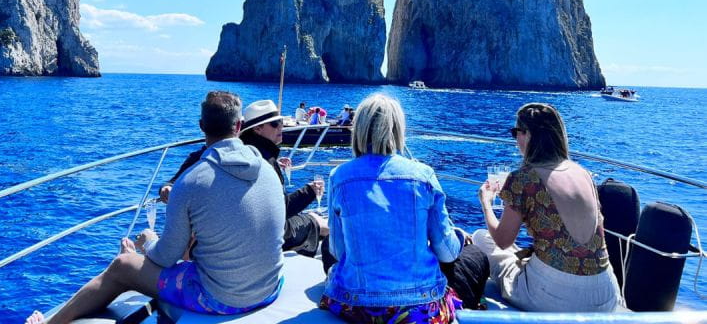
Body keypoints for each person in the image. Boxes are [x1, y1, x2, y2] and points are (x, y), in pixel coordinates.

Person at [25, 91, 285, 324]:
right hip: (270, 287)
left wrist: (147, 243)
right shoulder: (268, 169)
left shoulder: (191, 181)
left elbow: (164, 258)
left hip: (223, 300)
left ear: (201, 126)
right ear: (239, 126)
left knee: (122, 266)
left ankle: (51, 323)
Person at [321, 94, 485, 323]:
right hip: (417, 309)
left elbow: (338, 252)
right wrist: (459, 236)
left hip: (357, 307)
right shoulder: (423, 175)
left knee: (326, 249)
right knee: (475, 255)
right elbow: (446, 252)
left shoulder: (339, 177)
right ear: (397, 130)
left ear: (358, 129)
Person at [473, 102, 622, 312]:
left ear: (528, 135)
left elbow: (503, 241)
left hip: (556, 297)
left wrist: (486, 202)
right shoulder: (584, 174)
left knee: (482, 238)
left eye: (516, 132)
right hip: (605, 294)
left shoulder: (523, 178)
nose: (516, 140)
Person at [239, 99, 328, 255]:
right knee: (320, 223)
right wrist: (310, 191)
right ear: (258, 129)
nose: (281, 126)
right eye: (274, 124)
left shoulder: (247, 153)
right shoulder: (265, 163)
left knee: (310, 216)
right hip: (270, 234)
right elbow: (280, 211)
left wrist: (276, 164)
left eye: (280, 121)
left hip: (248, 230)